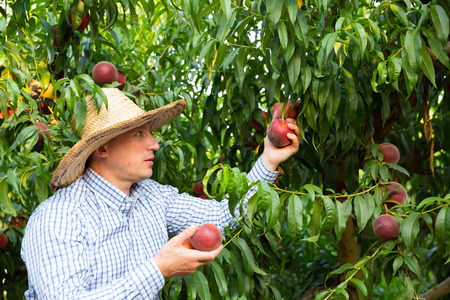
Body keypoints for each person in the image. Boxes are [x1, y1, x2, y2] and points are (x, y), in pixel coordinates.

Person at [21, 88, 301, 299]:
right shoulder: (58, 218)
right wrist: (158, 270)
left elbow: (220, 217)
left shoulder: (152, 196)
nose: (154, 144)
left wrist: (269, 160)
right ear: (102, 148)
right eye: (139, 134)